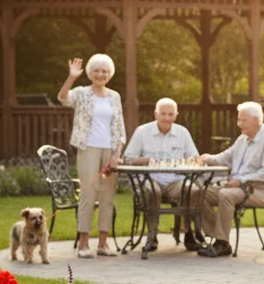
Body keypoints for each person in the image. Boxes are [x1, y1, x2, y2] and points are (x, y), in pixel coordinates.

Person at [190, 102, 264, 258]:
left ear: (256, 120)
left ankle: (222, 243)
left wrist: (241, 181)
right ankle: (215, 235)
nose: (239, 124)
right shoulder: (242, 139)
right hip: (237, 189)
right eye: (239, 120)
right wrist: (208, 158)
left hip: (260, 191)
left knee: (226, 195)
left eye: (243, 120)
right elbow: (225, 157)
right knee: (197, 193)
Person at [58, 54, 126, 259]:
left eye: (105, 71)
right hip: (88, 148)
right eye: (97, 70)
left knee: (107, 196)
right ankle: (84, 245)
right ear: (90, 73)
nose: (101, 74)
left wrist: (117, 155)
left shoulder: (115, 96)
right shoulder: (81, 93)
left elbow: (120, 127)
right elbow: (62, 98)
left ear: (110, 74)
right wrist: (71, 77)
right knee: (88, 194)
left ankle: (103, 245)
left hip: (110, 150)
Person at [123, 98, 199, 252]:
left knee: (194, 190)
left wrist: (186, 162)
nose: (166, 118)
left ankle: (190, 233)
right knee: (153, 191)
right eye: (163, 114)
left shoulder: (182, 133)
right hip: (150, 179)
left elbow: (194, 159)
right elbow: (127, 159)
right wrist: (145, 160)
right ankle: (152, 235)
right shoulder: (142, 132)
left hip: (175, 180)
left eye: (170, 114)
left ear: (176, 115)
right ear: (156, 114)